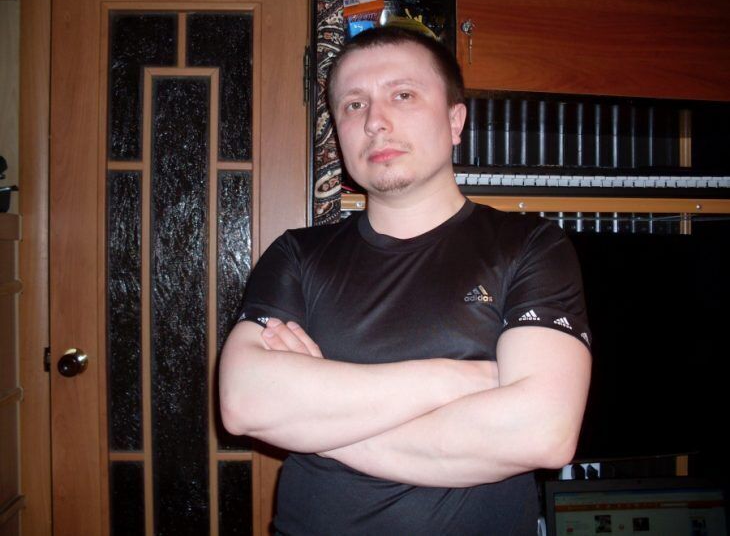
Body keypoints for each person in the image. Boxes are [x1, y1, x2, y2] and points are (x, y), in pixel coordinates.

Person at [219, 26, 592, 535]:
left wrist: (317, 427)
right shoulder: (297, 255)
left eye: (403, 95)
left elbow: (542, 434)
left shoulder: (530, 245)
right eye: (354, 105)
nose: (375, 121)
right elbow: (244, 404)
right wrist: (457, 380)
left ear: (455, 121)